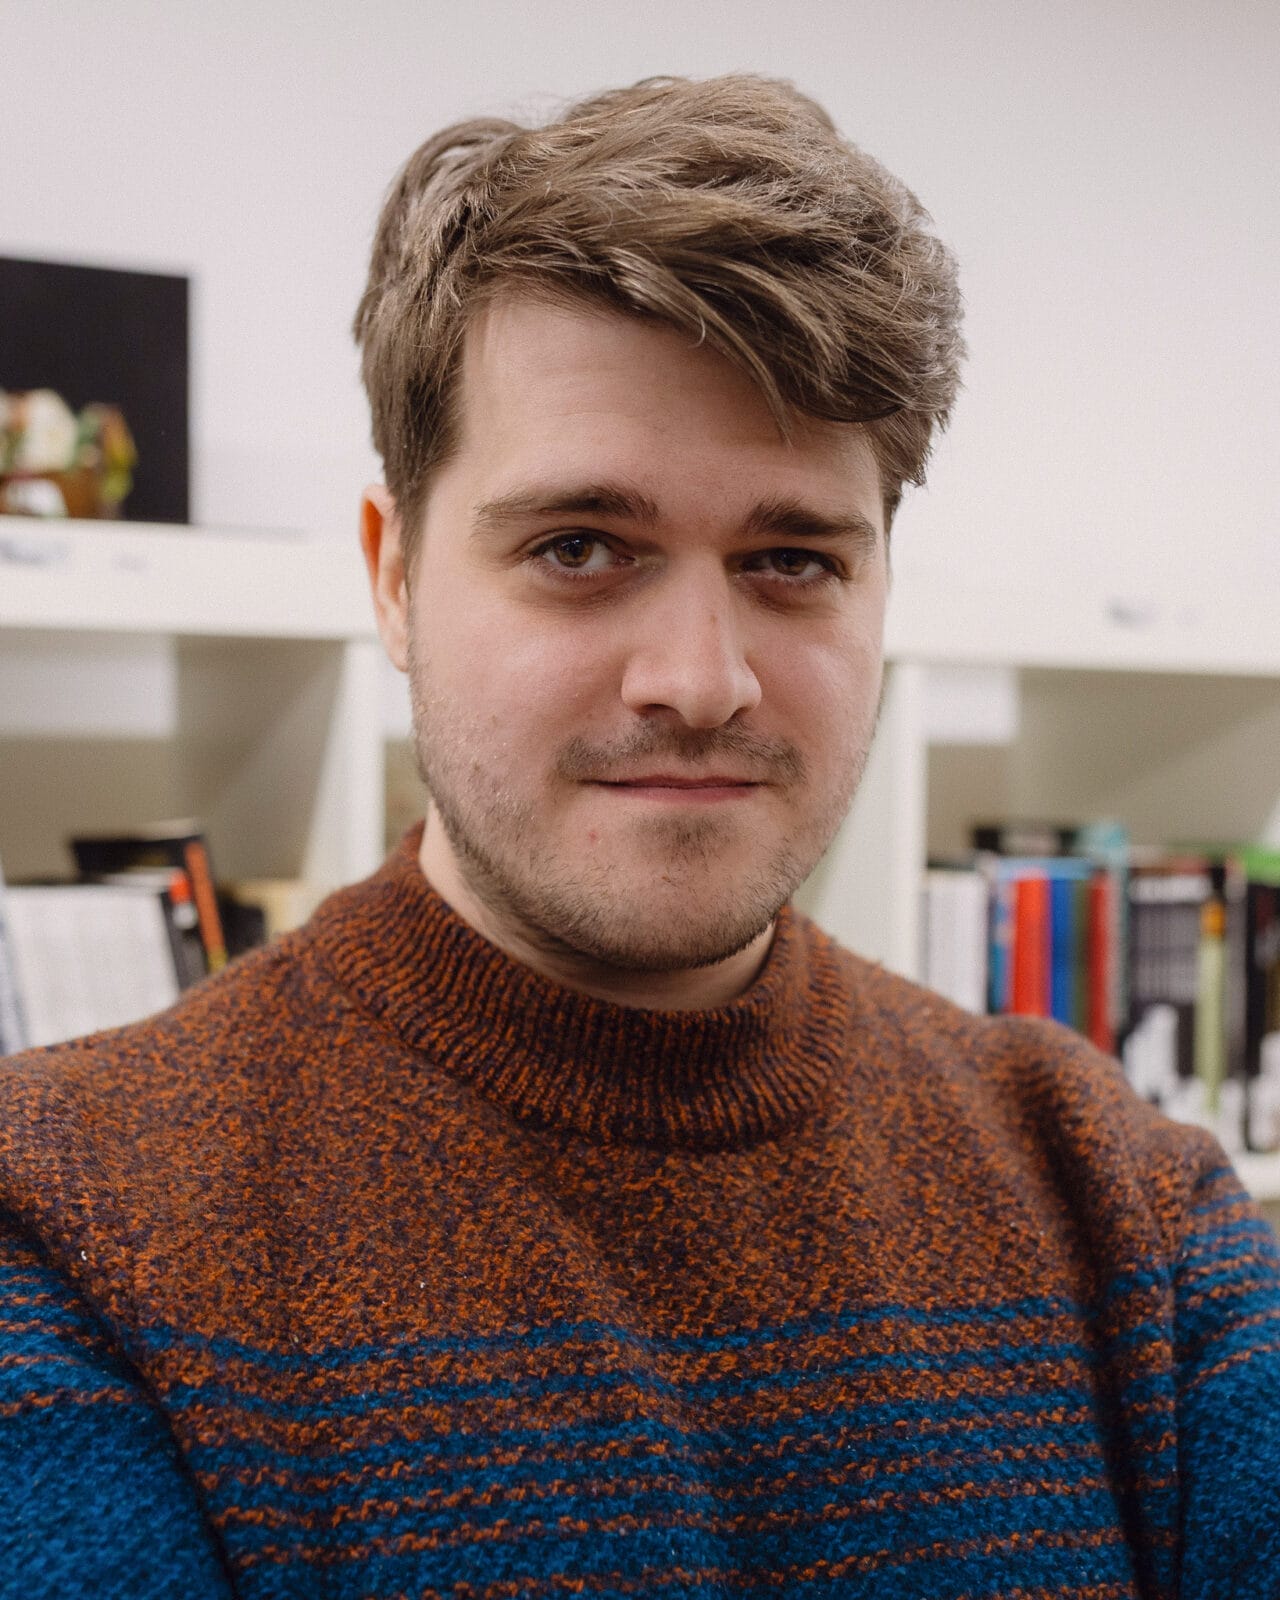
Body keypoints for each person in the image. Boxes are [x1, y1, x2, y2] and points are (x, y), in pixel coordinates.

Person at [1, 72, 1277, 1600]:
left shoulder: (1119, 1200)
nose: (700, 680)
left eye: (793, 558)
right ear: (394, 575)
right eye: (581, 548)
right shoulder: (71, 1231)